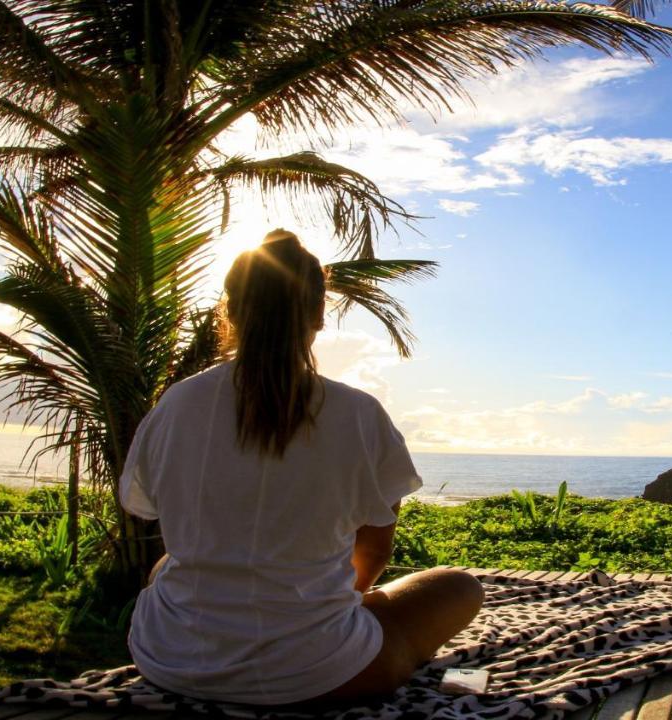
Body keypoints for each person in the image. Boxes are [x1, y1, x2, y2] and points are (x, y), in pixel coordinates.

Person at [118, 229, 483, 706]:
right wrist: (318, 609)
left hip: (170, 659)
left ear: (227, 311)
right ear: (317, 314)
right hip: (319, 672)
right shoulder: (357, 413)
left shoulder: (177, 403)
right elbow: (372, 550)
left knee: (167, 564)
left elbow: (149, 509)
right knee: (459, 587)